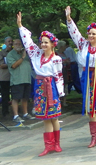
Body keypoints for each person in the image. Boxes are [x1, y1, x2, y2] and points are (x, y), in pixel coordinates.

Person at [65, 6, 96, 148]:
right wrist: (69, 19)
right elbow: (74, 33)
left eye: (94, 34)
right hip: (87, 78)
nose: (91, 36)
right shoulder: (83, 45)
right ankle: (94, 137)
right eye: (89, 33)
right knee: (91, 107)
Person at [17, 12, 64, 157]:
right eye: (42, 42)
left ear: (52, 44)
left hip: (52, 88)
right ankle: (48, 145)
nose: (43, 44)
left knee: (54, 116)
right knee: (44, 117)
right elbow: (27, 41)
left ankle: (56, 144)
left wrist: (60, 94)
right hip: (39, 87)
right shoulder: (36, 54)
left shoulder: (56, 59)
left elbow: (59, 76)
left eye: (46, 42)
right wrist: (20, 26)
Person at [6, 39, 36, 122]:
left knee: (25, 97)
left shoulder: (25, 53)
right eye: (16, 44)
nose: (18, 45)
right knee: (15, 98)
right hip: (17, 80)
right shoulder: (10, 54)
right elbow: (14, 65)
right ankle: (16, 116)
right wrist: (22, 57)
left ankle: (25, 113)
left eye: (20, 44)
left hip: (27, 79)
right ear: (13, 45)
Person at [0, 36, 13, 117]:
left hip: (14, 77)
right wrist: (12, 64)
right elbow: (1, 65)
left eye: (11, 41)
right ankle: (5, 112)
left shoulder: (15, 52)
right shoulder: (2, 53)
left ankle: (16, 111)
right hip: (5, 78)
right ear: (5, 43)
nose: (10, 43)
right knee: (5, 96)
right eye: (8, 41)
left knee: (16, 95)